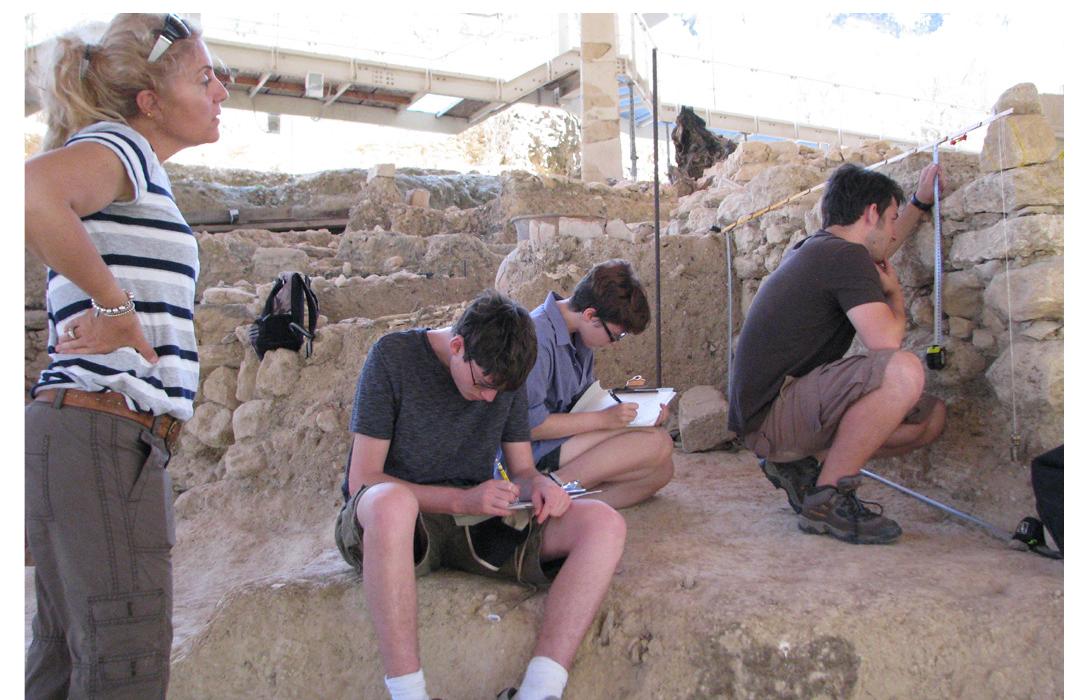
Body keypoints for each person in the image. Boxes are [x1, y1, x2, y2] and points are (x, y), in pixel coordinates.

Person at [24, 14, 228, 698]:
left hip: (83, 435)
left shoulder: (127, 165)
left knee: (68, 664)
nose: (221, 90)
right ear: (150, 101)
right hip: (106, 436)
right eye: (204, 78)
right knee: (123, 670)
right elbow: (29, 191)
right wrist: (115, 305)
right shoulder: (122, 148)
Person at [335, 290, 626, 700]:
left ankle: (540, 690)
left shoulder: (506, 374)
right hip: (396, 527)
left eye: (501, 392)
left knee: (604, 523)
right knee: (391, 504)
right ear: (458, 346)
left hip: (473, 523)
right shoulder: (393, 357)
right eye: (484, 384)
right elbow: (361, 480)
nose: (490, 398)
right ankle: (408, 694)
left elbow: (522, 469)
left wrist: (541, 486)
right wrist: (460, 501)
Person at [728, 162, 947, 544]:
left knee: (929, 418)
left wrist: (919, 203)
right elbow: (886, 342)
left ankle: (802, 467)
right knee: (903, 370)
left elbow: (884, 245)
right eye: (892, 218)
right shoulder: (844, 257)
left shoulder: (821, 251)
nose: (895, 232)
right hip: (773, 414)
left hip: (769, 413)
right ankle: (827, 500)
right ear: (871, 213)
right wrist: (895, 294)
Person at [523, 259, 674, 509]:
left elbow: (583, 402)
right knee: (658, 443)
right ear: (590, 314)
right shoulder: (538, 337)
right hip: (532, 450)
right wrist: (605, 420)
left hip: (565, 437)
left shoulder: (580, 334)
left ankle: (561, 507)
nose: (614, 343)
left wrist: (636, 405)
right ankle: (546, 491)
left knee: (661, 471)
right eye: (615, 335)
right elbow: (527, 426)